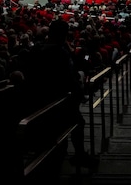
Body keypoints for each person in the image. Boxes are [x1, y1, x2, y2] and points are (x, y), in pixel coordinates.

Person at [24, 19, 97, 171]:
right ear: (63, 35)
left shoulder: (36, 49)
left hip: (37, 99)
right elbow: (68, 77)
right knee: (77, 123)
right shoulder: (60, 52)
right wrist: (80, 93)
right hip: (57, 100)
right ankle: (79, 155)